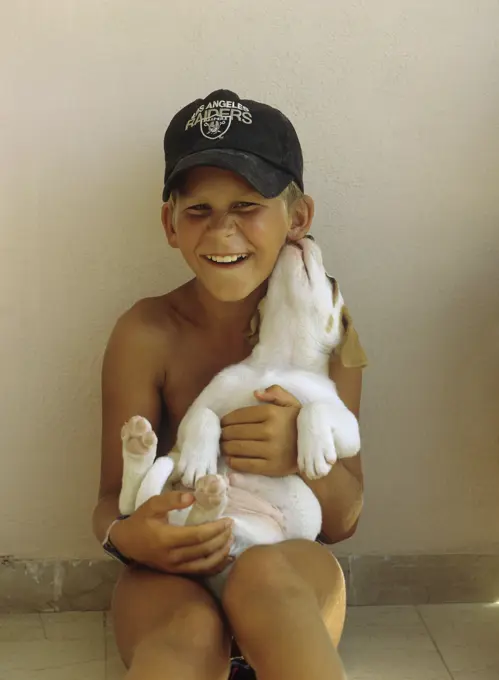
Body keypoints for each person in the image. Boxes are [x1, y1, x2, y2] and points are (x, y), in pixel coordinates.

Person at [92, 89, 368, 680]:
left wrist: (300, 450)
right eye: (199, 210)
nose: (223, 230)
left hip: (284, 563)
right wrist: (134, 541)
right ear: (170, 223)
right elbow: (108, 504)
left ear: (298, 217)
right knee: (184, 634)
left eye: (247, 205)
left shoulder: (332, 321)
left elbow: (346, 517)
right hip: (173, 573)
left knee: (267, 581)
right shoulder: (145, 331)